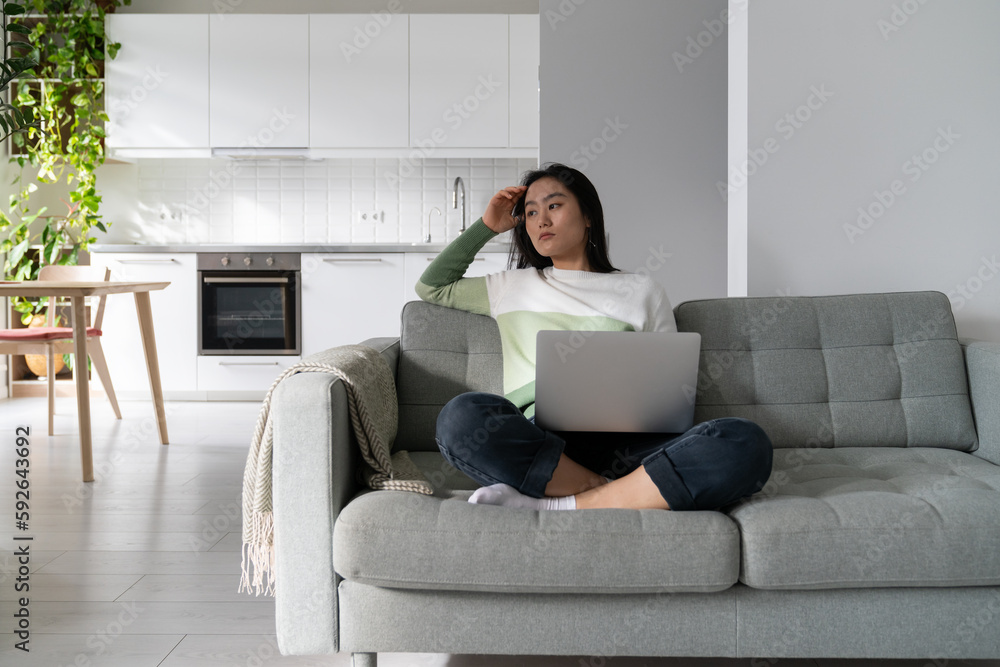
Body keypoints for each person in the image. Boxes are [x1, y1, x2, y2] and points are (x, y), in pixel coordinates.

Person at [416, 162, 772, 511]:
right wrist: (487, 226)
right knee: (460, 418)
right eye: (530, 212)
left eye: (554, 205)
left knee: (744, 441)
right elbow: (431, 286)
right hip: (543, 444)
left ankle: (563, 503)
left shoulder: (641, 290)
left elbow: (673, 391)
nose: (541, 219)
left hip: (633, 445)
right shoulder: (510, 286)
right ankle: (622, 494)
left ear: (588, 216)